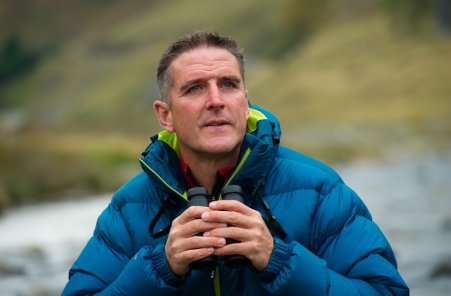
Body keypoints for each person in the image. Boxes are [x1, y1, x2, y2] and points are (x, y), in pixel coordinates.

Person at [62, 31, 409, 295]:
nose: (216, 101)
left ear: (245, 102)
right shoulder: (128, 208)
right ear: (165, 115)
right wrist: (157, 268)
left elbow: (387, 291)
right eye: (195, 88)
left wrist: (280, 261)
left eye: (228, 84)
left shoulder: (320, 190)